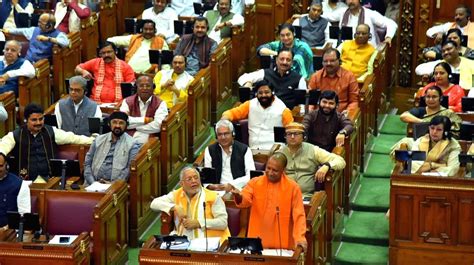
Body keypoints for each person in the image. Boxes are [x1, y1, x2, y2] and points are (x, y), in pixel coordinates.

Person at [231, 153, 307, 250]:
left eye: (275, 170)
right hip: (257, 242)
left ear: (283, 170)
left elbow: (299, 215)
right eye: (268, 168)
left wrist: (300, 237)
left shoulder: (293, 188)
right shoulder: (255, 182)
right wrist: (238, 196)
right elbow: (245, 200)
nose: (270, 173)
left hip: (283, 244)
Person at [0, 103, 94, 181]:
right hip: (23, 181)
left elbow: (73, 138)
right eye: (34, 120)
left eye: (41, 119)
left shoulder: (51, 131)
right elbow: (3, 147)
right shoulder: (15, 135)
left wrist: (94, 140)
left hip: (49, 179)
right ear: (26, 120)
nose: (38, 123)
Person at [150, 166, 231, 243]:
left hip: (211, 242)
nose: (194, 181)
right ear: (182, 183)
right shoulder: (176, 194)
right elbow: (154, 203)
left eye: (196, 178)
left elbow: (223, 222)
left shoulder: (213, 197)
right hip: (184, 241)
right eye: (189, 179)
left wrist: (198, 223)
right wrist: (175, 207)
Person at [276, 122, 346, 196]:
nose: (292, 137)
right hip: (284, 195)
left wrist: (327, 165)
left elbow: (341, 161)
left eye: (296, 134)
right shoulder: (279, 153)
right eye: (289, 134)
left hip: (306, 196)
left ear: (303, 137)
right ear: (285, 137)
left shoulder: (313, 150)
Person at [221, 80, 294, 150]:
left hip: (275, 152)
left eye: (266, 92)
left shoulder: (283, 110)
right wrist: (224, 120)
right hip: (253, 150)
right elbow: (232, 113)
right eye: (260, 93)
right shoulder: (250, 105)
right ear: (256, 94)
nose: (263, 95)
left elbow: (292, 131)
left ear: (273, 92)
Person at [84, 111, 141, 185]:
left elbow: (129, 169)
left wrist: (113, 185)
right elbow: (87, 163)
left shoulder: (133, 144)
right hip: (92, 184)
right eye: (114, 122)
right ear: (109, 124)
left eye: (121, 123)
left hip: (116, 187)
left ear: (126, 125)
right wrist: (93, 183)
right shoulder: (98, 140)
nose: (117, 126)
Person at [237, 49, 307, 110]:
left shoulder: (299, 79)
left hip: (286, 115)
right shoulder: (265, 73)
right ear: (276, 60)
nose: (284, 62)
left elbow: (303, 104)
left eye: (288, 60)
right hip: (263, 111)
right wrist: (248, 83)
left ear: (292, 63)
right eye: (282, 59)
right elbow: (242, 78)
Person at [392, 115, 461, 176]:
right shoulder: (421, 140)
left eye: (439, 129)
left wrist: (431, 171)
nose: (434, 132)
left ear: (446, 132)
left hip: (440, 180)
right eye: (432, 128)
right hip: (418, 176)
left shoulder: (453, 145)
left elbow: (453, 169)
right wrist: (433, 165)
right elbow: (413, 164)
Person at [204, 119, 255, 192]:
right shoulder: (209, 150)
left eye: (226, 133)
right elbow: (207, 177)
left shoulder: (245, 149)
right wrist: (211, 186)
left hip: (239, 189)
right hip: (217, 190)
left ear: (233, 134)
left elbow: (250, 175)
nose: (223, 137)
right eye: (220, 134)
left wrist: (231, 184)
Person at [323, 0, 397, 47]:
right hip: (347, 51)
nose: (350, 1)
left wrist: (388, 37)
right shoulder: (342, 12)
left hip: (368, 52)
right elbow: (326, 17)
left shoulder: (370, 14)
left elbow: (392, 24)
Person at [120, 75, 168, 144]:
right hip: (128, 137)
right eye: (141, 85)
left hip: (151, 138)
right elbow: (123, 121)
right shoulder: (127, 101)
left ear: (153, 88)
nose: (145, 88)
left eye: (148, 86)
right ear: (136, 88)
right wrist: (146, 120)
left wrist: (136, 127)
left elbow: (158, 126)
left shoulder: (160, 103)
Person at [308, 48, 359, 112]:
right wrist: (310, 111)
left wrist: (348, 112)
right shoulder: (315, 76)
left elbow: (354, 101)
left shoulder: (349, 76)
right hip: (320, 116)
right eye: (325, 61)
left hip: (342, 116)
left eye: (332, 61)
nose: (328, 63)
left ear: (339, 61)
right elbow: (310, 101)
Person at [3, 13, 70, 63]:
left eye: (41, 23)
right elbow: (21, 31)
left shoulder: (58, 34)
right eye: (39, 22)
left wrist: (48, 39)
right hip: (27, 61)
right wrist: (8, 30)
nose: (38, 24)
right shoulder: (34, 30)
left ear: (49, 25)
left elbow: (66, 43)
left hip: (41, 65)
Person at [0, 152, 30, 228]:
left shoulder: (19, 185)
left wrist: (6, 228)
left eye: (0, 166)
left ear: (6, 165)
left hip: (9, 231)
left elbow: (24, 216)